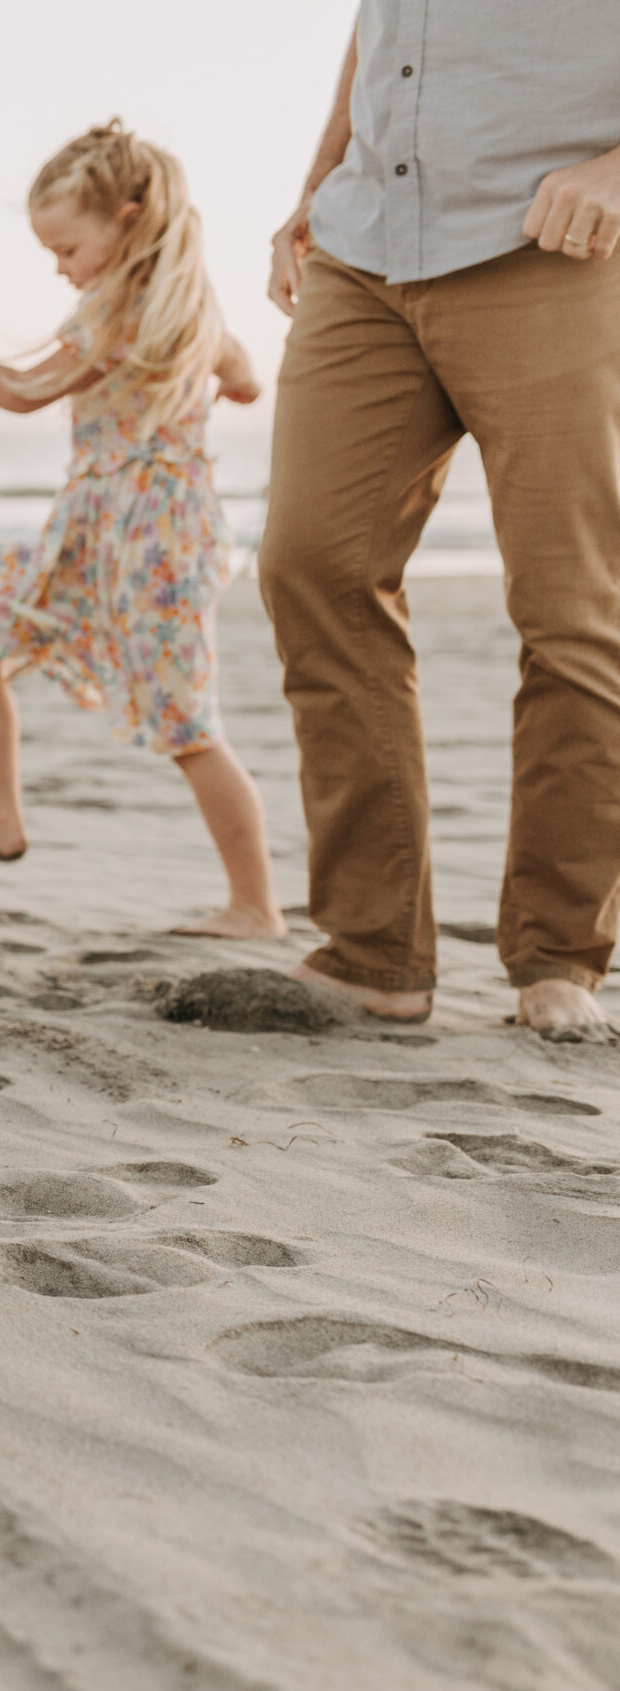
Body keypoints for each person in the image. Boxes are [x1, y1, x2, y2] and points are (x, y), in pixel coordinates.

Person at [259, 7, 620, 1041]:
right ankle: (375, 953)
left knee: (571, 608)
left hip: (552, 248)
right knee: (310, 568)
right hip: (363, 249)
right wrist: (314, 182)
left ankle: (558, 956)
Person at [0, 122, 281, 940]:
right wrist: (201, 376)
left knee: (186, 722)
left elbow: (21, 391)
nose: (62, 267)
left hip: (149, 540)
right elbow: (245, 379)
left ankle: (256, 907)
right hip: (108, 529)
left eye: (66, 247)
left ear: (129, 219)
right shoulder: (187, 306)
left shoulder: (119, 304)